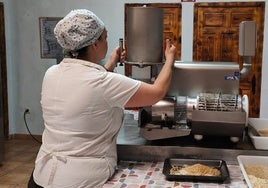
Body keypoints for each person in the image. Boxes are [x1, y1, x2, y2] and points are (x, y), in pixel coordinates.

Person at [29, 9, 176, 188]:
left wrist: (111, 64)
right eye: (105, 38)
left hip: (41, 176)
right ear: (94, 45)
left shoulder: (51, 73)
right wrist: (170, 59)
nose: (107, 42)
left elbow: (86, 89)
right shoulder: (104, 82)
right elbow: (156, 92)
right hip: (80, 180)